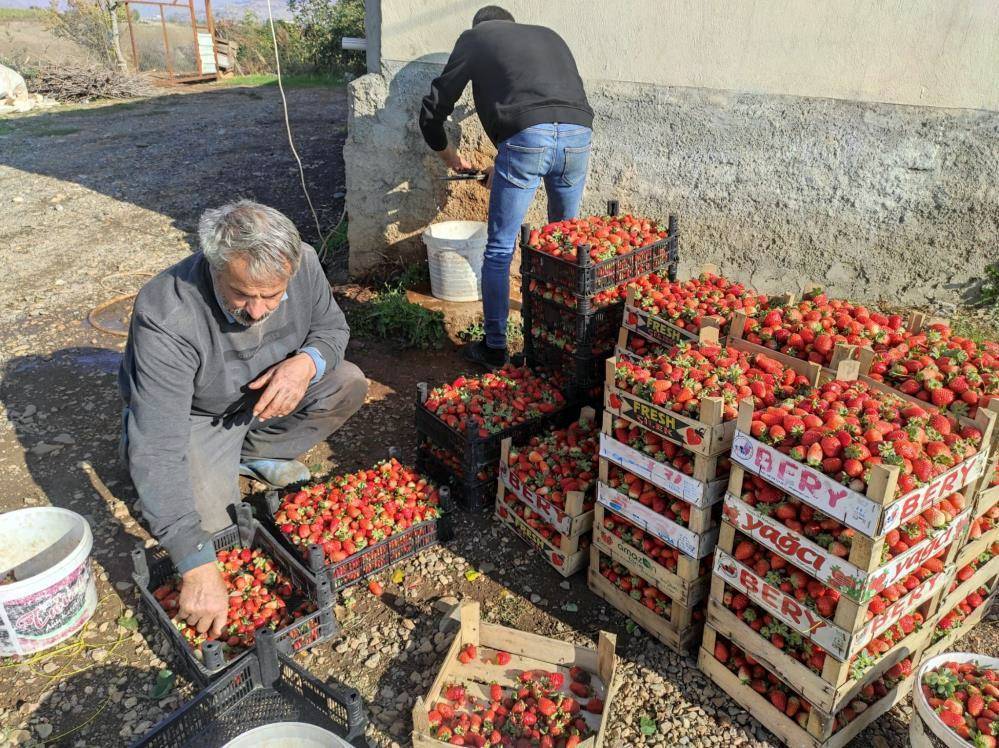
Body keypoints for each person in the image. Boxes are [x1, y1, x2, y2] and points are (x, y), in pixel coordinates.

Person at [118, 200, 367, 639]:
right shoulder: (167, 313)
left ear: (290, 268)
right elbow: (159, 444)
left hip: (262, 397)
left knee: (345, 382)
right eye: (241, 295)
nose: (256, 311)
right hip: (199, 417)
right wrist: (194, 563)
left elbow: (332, 329)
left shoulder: (304, 263)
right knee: (217, 533)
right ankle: (200, 458)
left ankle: (249, 453)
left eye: (271, 296)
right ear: (213, 268)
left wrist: (306, 364)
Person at [419, 5, 593, 368]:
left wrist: (449, 156)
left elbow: (433, 111)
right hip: (579, 134)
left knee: (498, 249)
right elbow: (546, 115)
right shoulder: (549, 35)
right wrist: (508, 162)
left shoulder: (476, 37)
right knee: (562, 243)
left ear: (481, 26)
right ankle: (561, 340)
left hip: (526, 139)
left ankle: (495, 347)